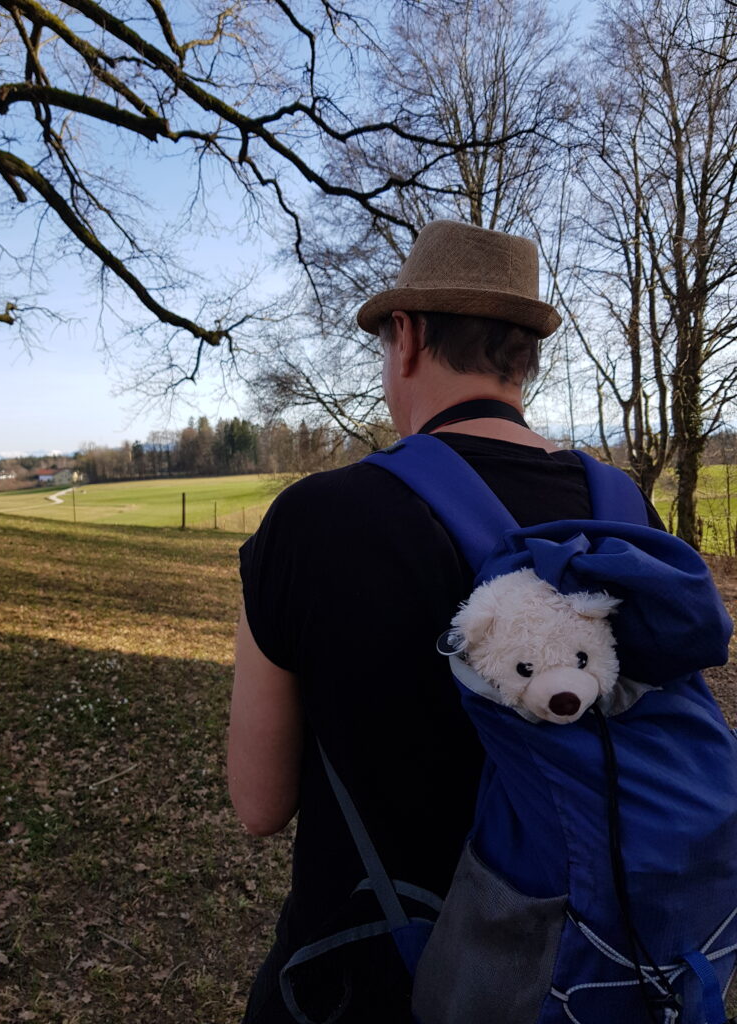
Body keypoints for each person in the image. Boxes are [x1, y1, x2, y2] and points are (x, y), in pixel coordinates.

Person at [227, 220, 661, 1024]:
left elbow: (258, 804)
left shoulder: (313, 520)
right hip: (582, 977)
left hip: (359, 984)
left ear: (408, 335)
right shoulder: (626, 512)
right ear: (524, 357)